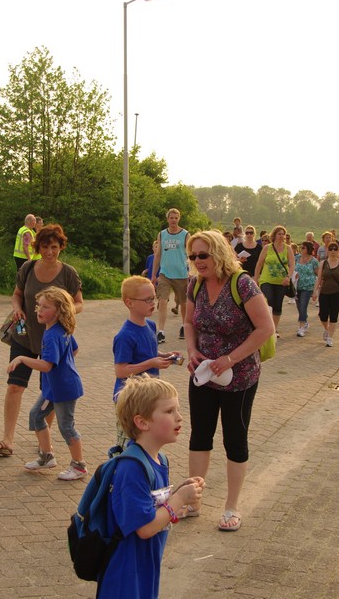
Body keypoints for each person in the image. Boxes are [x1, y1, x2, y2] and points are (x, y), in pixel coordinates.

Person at [183, 230, 274, 531]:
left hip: (240, 377)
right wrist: (192, 350)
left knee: (234, 438)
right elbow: (188, 322)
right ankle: (193, 501)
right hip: (204, 373)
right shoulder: (195, 284)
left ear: (219, 253)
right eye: (193, 256)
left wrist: (231, 359)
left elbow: (265, 328)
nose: (197, 261)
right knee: (200, 435)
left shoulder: (242, 284)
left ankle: (231, 507)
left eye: (203, 255)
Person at [99, 376, 205, 598]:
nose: (179, 417)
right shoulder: (132, 468)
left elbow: (156, 507)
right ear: (143, 422)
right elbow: (145, 528)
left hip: (146, 562)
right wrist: (178, 499)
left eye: (177, 409)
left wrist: (182, 494)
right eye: (169, 411)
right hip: (126, 571)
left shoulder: (159, 459)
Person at [0, 224, 84, 458]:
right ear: (38, 247)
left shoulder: (68, 273)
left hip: (53, 338)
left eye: (54, 247)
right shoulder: (28, 268)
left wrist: (63, 313)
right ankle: (7, 441)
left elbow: (79, 303)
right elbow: (17, 294)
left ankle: (44, 442)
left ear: (61, 247)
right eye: (45, 247)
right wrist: (17, 308)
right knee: (15, 386)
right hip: (25, 335)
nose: (49, 252)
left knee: (50, 391)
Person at [8, 287, 87, 480]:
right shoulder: (60, 328)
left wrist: (22, 358)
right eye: (38, 306)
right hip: (54, 388)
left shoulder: (52, 335)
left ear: (59, 311)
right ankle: (46, 456)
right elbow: (74, 350)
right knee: (36, 416)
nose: (39, 310)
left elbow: (46, 365)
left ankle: (79, 466)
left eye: (45, 307)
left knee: (66, 426)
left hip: (63, 389)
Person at [112, 276, 178, 451]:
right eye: (147, 300)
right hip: (130, 398)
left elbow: (147, 351)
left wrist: (165, 356)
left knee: (148, 439)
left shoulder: (150, 325)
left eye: (154, 297)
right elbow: (121, 371)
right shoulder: (125, 336)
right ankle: (122, 466)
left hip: (149, 395)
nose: (153, 303)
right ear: (130, 302)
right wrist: (152, 363)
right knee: (128, 443)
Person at [151, 208, 190, 345]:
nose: (174, 220)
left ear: (179, 219)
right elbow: (158, 255)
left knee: (183, 302)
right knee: (162, 300)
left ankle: (184, 326)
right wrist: (154, 275)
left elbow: (190, 254)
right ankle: (161, 331)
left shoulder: (185, 234)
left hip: (181, 274)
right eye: (171, 217)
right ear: (167, 219)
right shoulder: (162, 234)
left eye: (176, 217)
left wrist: (191, 272)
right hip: (165, 273)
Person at [312, 241, 339, 347]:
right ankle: (327, 329)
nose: (333, 251)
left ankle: (330, 338)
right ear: (327, 251)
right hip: (324, 292)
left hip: (337, 293)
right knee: (323, 316)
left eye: (335, 249)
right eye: (331, 249)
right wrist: (315, 291)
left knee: (333, 315)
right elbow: (319, 278)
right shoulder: (323, 263)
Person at [253, 226, 294, 338]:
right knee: (269, 300)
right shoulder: (267, 248)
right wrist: (256, 279)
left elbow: (292, 265)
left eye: (283, 234)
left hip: (281, 282)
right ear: (274, 235)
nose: (281, 236)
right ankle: (266, 326)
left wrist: (288, 277)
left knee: (278, 305)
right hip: (266, 280)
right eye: (279, 233)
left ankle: (274, 329)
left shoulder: (288, 249)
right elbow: (259, 264)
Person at [294, 241, 320, 337]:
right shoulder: (296, 258)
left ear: (308, 249)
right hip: (297, 286)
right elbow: (291, 268)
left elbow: (318, 275)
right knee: (299, 306)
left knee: (303, 305)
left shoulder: (314, 261)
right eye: (301, 247)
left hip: (308, 287)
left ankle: (301, 327)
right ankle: (305, 321)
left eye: (303, 247)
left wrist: (315, 290)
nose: (301, 249)